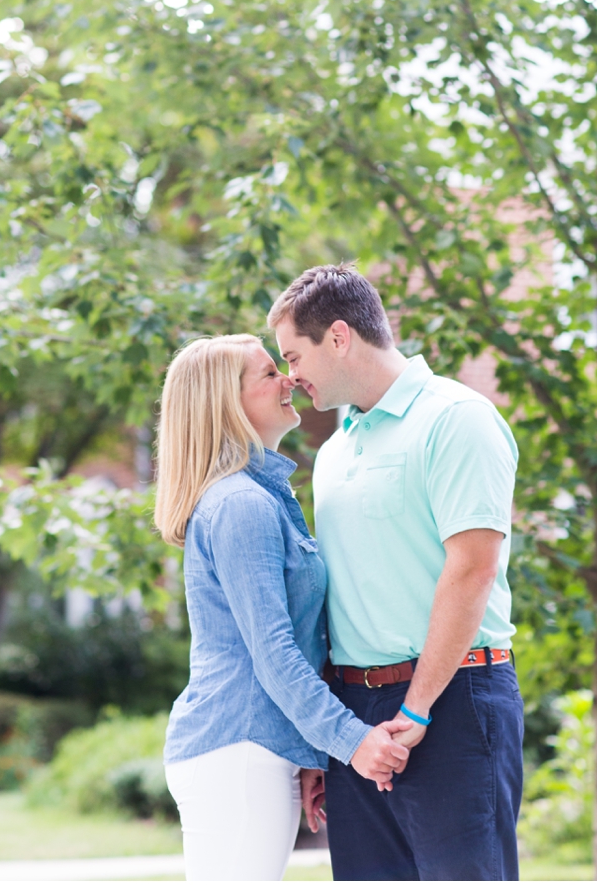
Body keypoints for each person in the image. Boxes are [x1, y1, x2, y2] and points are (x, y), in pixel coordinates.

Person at [268, 265, 525, 882]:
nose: (288, 375)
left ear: (337, 337)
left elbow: (472, 571)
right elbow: (335, 602)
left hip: (453, 703)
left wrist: (415, 712)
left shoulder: (457, 418)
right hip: (355, 718)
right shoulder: (332, 453)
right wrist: (326, 743)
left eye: (292, 354)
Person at [154, 334, 412, 882]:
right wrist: (351, 742)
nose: (289, 379)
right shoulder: (242, 505)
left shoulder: (263, 495)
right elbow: (273, 653)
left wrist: (311, 754)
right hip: (239, 750)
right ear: (228, 403)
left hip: (255, 748)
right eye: (269, 374)